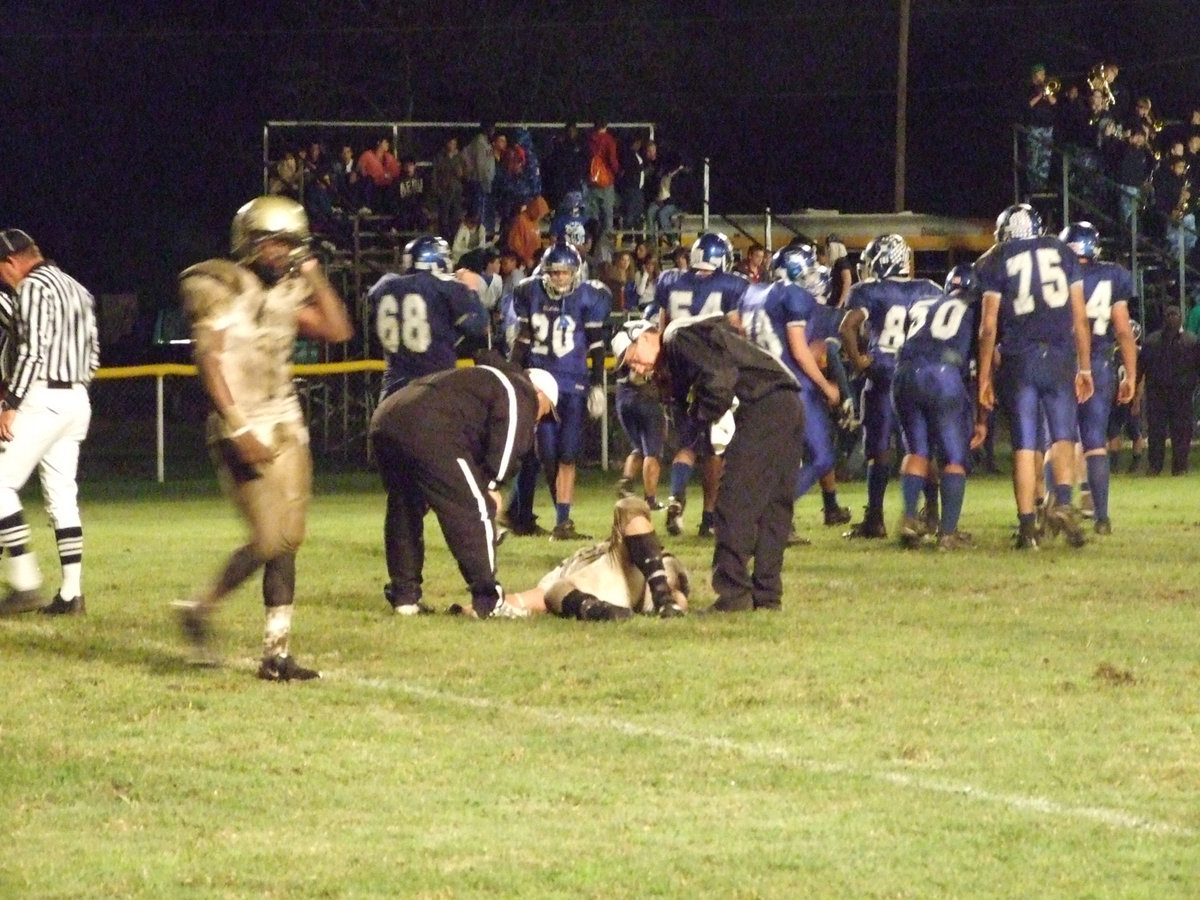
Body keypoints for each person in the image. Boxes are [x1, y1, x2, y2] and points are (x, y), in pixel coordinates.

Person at [175, 197, 353, 679]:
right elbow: (208, 361)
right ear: (250, 242)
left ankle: (276, 653)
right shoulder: (219, 286)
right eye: (275, 242)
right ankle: (199, 607)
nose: (283, 253)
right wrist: (236, 424)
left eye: (291, 243)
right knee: (269, 537)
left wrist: (314, 276)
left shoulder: (293, 287)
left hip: (285, 418)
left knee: (288, 539)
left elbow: (338, 330)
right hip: (241, 419)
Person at [623, 317, 804, 613]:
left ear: (644, 337)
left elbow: (719, 380)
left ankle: (734, 594)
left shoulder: (676, 338)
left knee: (733, 504)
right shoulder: (686, 335)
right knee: (774, 507)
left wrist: (701, 416)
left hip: (761, 405)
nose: (638, 369)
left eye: (634, 360)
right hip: (787, 400)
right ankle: (767, 595)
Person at [369, 359, 558, 618]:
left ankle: (405, 599)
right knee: (474, 510)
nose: (539, 419)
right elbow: (508, 442)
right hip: (429, 427)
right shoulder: (520, 391)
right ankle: (489, 601)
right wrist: (492, 485)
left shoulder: (484, 379)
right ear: (539, 394)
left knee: (405, 507)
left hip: (387, 418)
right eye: (545, 411)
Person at [975, 203, 1092, 549]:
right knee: (1063, 435)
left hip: (1019, 357)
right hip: (1058, 355)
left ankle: (1027, 528)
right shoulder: (1061, 250)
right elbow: (1080, 318)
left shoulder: (996, 259)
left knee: (1025, 443)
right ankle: (1066, 504)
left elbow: (987, 327)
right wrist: (1084, 367)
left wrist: (983, 376)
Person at [0, 229, 99, 617]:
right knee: (61, 497)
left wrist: (10, 403)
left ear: (12, 261)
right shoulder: (78, 289)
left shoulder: (33, 288)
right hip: (77, 398)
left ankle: (24, 583)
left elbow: (32, 352)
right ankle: (71, 595)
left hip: (42, 396)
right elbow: (92, 354)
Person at [838, 234, 943, 539]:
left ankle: (875, 518)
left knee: (879, 450)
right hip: (918, 373)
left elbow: (847, 327)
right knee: (920, 447)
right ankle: (933, 513)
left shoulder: (869, 290)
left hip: (883, 374)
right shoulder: (929, 289)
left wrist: (858, 361)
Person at [738, 244, 842, 541]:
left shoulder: (752, 293)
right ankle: (770, 513)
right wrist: (825, 385)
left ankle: (776, 523)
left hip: (759, 385)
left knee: (780, 459)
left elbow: (744, 337)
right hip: (793, 386)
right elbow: (798, 349)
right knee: (821, 456)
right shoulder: (793, 295)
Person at [508, 242, 611, 540]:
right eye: (555, 273)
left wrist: (596, 383)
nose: (560, 278)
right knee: (548, 455)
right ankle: (553, 518)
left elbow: (596, 344)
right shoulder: (530, 293)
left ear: (576, 273)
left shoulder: (589, 297)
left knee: (567, 455)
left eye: (566, 273)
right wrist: (513, 375)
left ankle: (562, 522)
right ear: (545, 273)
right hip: (542, 382)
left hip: (574, 383)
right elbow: (523, 341)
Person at [650, 232, 749, 538]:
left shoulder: (670, 280)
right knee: (716, 446)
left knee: (687, 443)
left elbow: (662, 327)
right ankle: (709, 517)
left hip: (679, 369)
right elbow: (736, 330)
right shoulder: (732, 285)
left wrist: (662, 367)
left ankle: (677, 496)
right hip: (715, 373)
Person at [891, 265, 985, 550]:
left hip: (903, 372)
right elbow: (984, 349)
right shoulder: (974, 307)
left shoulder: (923, 301)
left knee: (916, 450)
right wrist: (981, 414)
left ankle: (909, 517)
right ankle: (947, 533)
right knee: (954, 457)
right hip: (943, 373)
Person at [1059, 222, 1137, 533]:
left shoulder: (1060, 273)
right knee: (1095, 441)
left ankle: (1058, 507)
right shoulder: (1113, 274)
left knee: (1060, 439)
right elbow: (1123, 330)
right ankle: (1101, 517)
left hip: (1065, 360)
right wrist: (1130, 373)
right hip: (1102, 362)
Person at [504, 497, 689, 620]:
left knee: (632, 510)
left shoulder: (663, 564)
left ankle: (664, 598)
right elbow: (550, 592)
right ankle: (663, 599)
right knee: (630, 509)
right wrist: (592, 607)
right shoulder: (591, 574)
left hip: (640, 574)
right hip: (597, 568)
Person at [368, 235, 489, 400]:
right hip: (433, 391)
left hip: (392, 393)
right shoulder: (447, 287)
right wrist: (472, 291)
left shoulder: (383, 286)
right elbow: (480, 327)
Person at [611, 319, 667, 510]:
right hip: (645, 397)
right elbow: (644, 370)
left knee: (638, 448)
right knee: (652, 452)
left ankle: (626, 481)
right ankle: (650, 499)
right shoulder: (649, 338)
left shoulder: (624, 333)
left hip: (622, 398)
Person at [1138, 305, 1200, 476]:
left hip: (1182, 394)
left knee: (1182, 431)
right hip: (1158, 393)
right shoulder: (1152, 342)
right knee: (1156, 431)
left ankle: (1179, 466)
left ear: (1181, 318)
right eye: (1169, 315)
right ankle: (1155, 466)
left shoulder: (1191, 341)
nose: (1172, 318)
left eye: (1175, 315)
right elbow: (1141, 368)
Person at [1021, 63, 1057, 195]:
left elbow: (1054, 103)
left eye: (1043, 74)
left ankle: (1042, 187)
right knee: (1033, 158)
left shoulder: (1048, 88)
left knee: (1045, 159)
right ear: (1033, 76)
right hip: (1034, 128)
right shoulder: (1029, 89)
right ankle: (1032, 188)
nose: (1041, 77)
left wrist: (1047, 94)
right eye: (1039, 74)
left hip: (1048, 129)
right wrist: (1039, 96)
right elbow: (1027, 106)